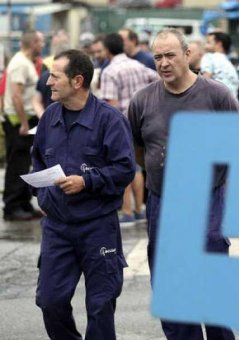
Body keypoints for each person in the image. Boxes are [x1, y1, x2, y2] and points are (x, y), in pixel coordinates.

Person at [128, 28, 239, 340]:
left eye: (170, 55)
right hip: (162, 201)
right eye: (158, 57)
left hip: (208, 199)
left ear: (187, 55)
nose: (163, 63)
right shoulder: (142, 101)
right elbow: (139, 149)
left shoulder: (217, 96)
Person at [32, 49, 135, 340]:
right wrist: (43, 198)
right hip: (57, 228)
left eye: (55, 75)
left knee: (101, 306)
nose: (48, 81)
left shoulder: (110, 120)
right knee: (50, 301)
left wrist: (86, 182)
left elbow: (125, 169)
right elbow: (38, 158)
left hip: (97, 227)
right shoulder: (50, 116)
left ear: (77, 81)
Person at [100, 32, 159, 227]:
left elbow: (111, 105)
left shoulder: (109, 71)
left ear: (107, 50)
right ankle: (139, 210)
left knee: (123, 167)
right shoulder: (138, 65)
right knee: (139, 168)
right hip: (145, 121)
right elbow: (157, 80)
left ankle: (126, 212)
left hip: (123, 124)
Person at [2, 31, 45, 221]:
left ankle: (24, 203)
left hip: (25, 119)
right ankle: (12, 206)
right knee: (17, 165)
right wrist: (24, 123)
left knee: (26, 163)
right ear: (33, 43)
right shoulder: (20, 63)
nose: (42, 45)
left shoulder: (25, 62)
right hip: (18, 121)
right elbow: (16, 96)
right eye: (41, 42)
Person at [202, 31, 239, 97]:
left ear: (219, 44)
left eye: (208, 42)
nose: (205, 45)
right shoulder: (230, 65)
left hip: (216, 102)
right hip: (232, 103)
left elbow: (205, 81)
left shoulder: (209, 57)